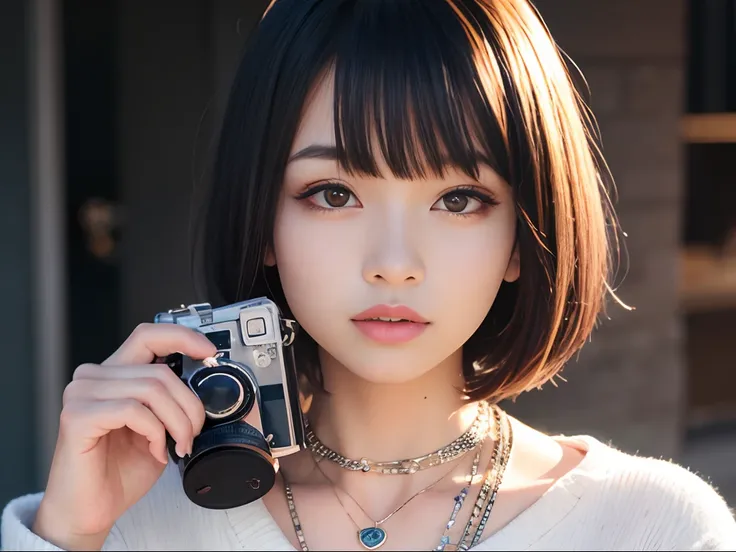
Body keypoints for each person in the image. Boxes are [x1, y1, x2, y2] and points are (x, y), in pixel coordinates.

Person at [3, 0, 736, 550]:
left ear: (522, 234)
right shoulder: (134, 522)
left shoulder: (653, 529)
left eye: (459, 199)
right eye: (334, 194)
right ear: (263, 219)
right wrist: (67, 534)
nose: (393, 262)